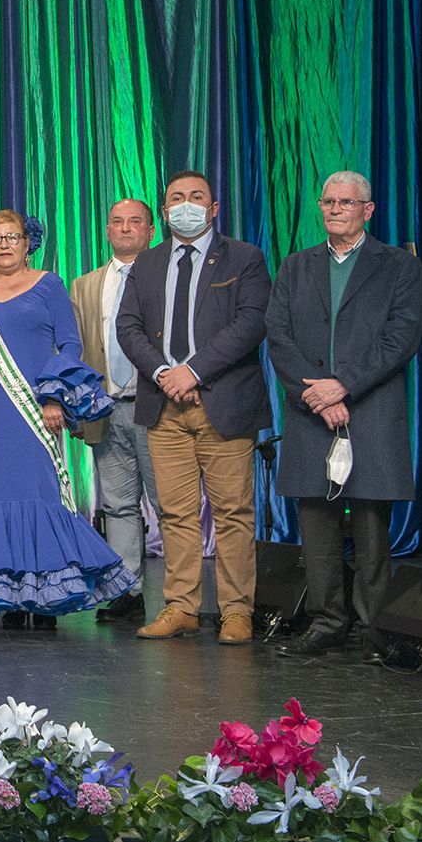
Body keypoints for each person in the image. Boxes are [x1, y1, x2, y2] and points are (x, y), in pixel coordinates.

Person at [0, 210, 132, 626]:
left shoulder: (49, 284)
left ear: (28, 243)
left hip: (38, 406)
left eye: (12, 236)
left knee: (42, 494)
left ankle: (46, 596)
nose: (4, 244)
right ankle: (12, 596)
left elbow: (70, 343)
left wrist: (54, 396)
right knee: (0, 492)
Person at [267, 172, 422, 663]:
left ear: (367, 210)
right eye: (329, 201)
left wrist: (344, 385)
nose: (335, 209)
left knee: (373, 530)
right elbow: (278, 336)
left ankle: (375, 630)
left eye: (346, 202)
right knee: (317, 527)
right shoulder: (295, 266)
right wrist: (317, 395)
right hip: (312, 413)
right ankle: (327, 624)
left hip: (370, 410)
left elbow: (401, 338)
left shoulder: (398, 266)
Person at [117, 169, 272, 644]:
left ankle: (236, 611)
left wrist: (194, 371)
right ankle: (181, 606)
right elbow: (128, 327)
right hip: (164, 405)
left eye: (196, 196)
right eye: (177, 198)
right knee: (175, 514)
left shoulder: (244, 257)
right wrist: (164, 373)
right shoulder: (147, 262)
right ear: (164, 212)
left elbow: (251, 323)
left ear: (213, 207)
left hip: (223, 403)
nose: (186, 205)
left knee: (233, 513)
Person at [70, 198, 156, 624]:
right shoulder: (85, 284)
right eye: (117, 221)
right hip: (105, 409)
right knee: (119, 506)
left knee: (170, 505)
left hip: (157, 408)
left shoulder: (166, 277)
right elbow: (76, 349)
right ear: (106, 230)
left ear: (151, 231)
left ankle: (184, 598)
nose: (125, 228)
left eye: (134, 221)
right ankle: (129, 591)